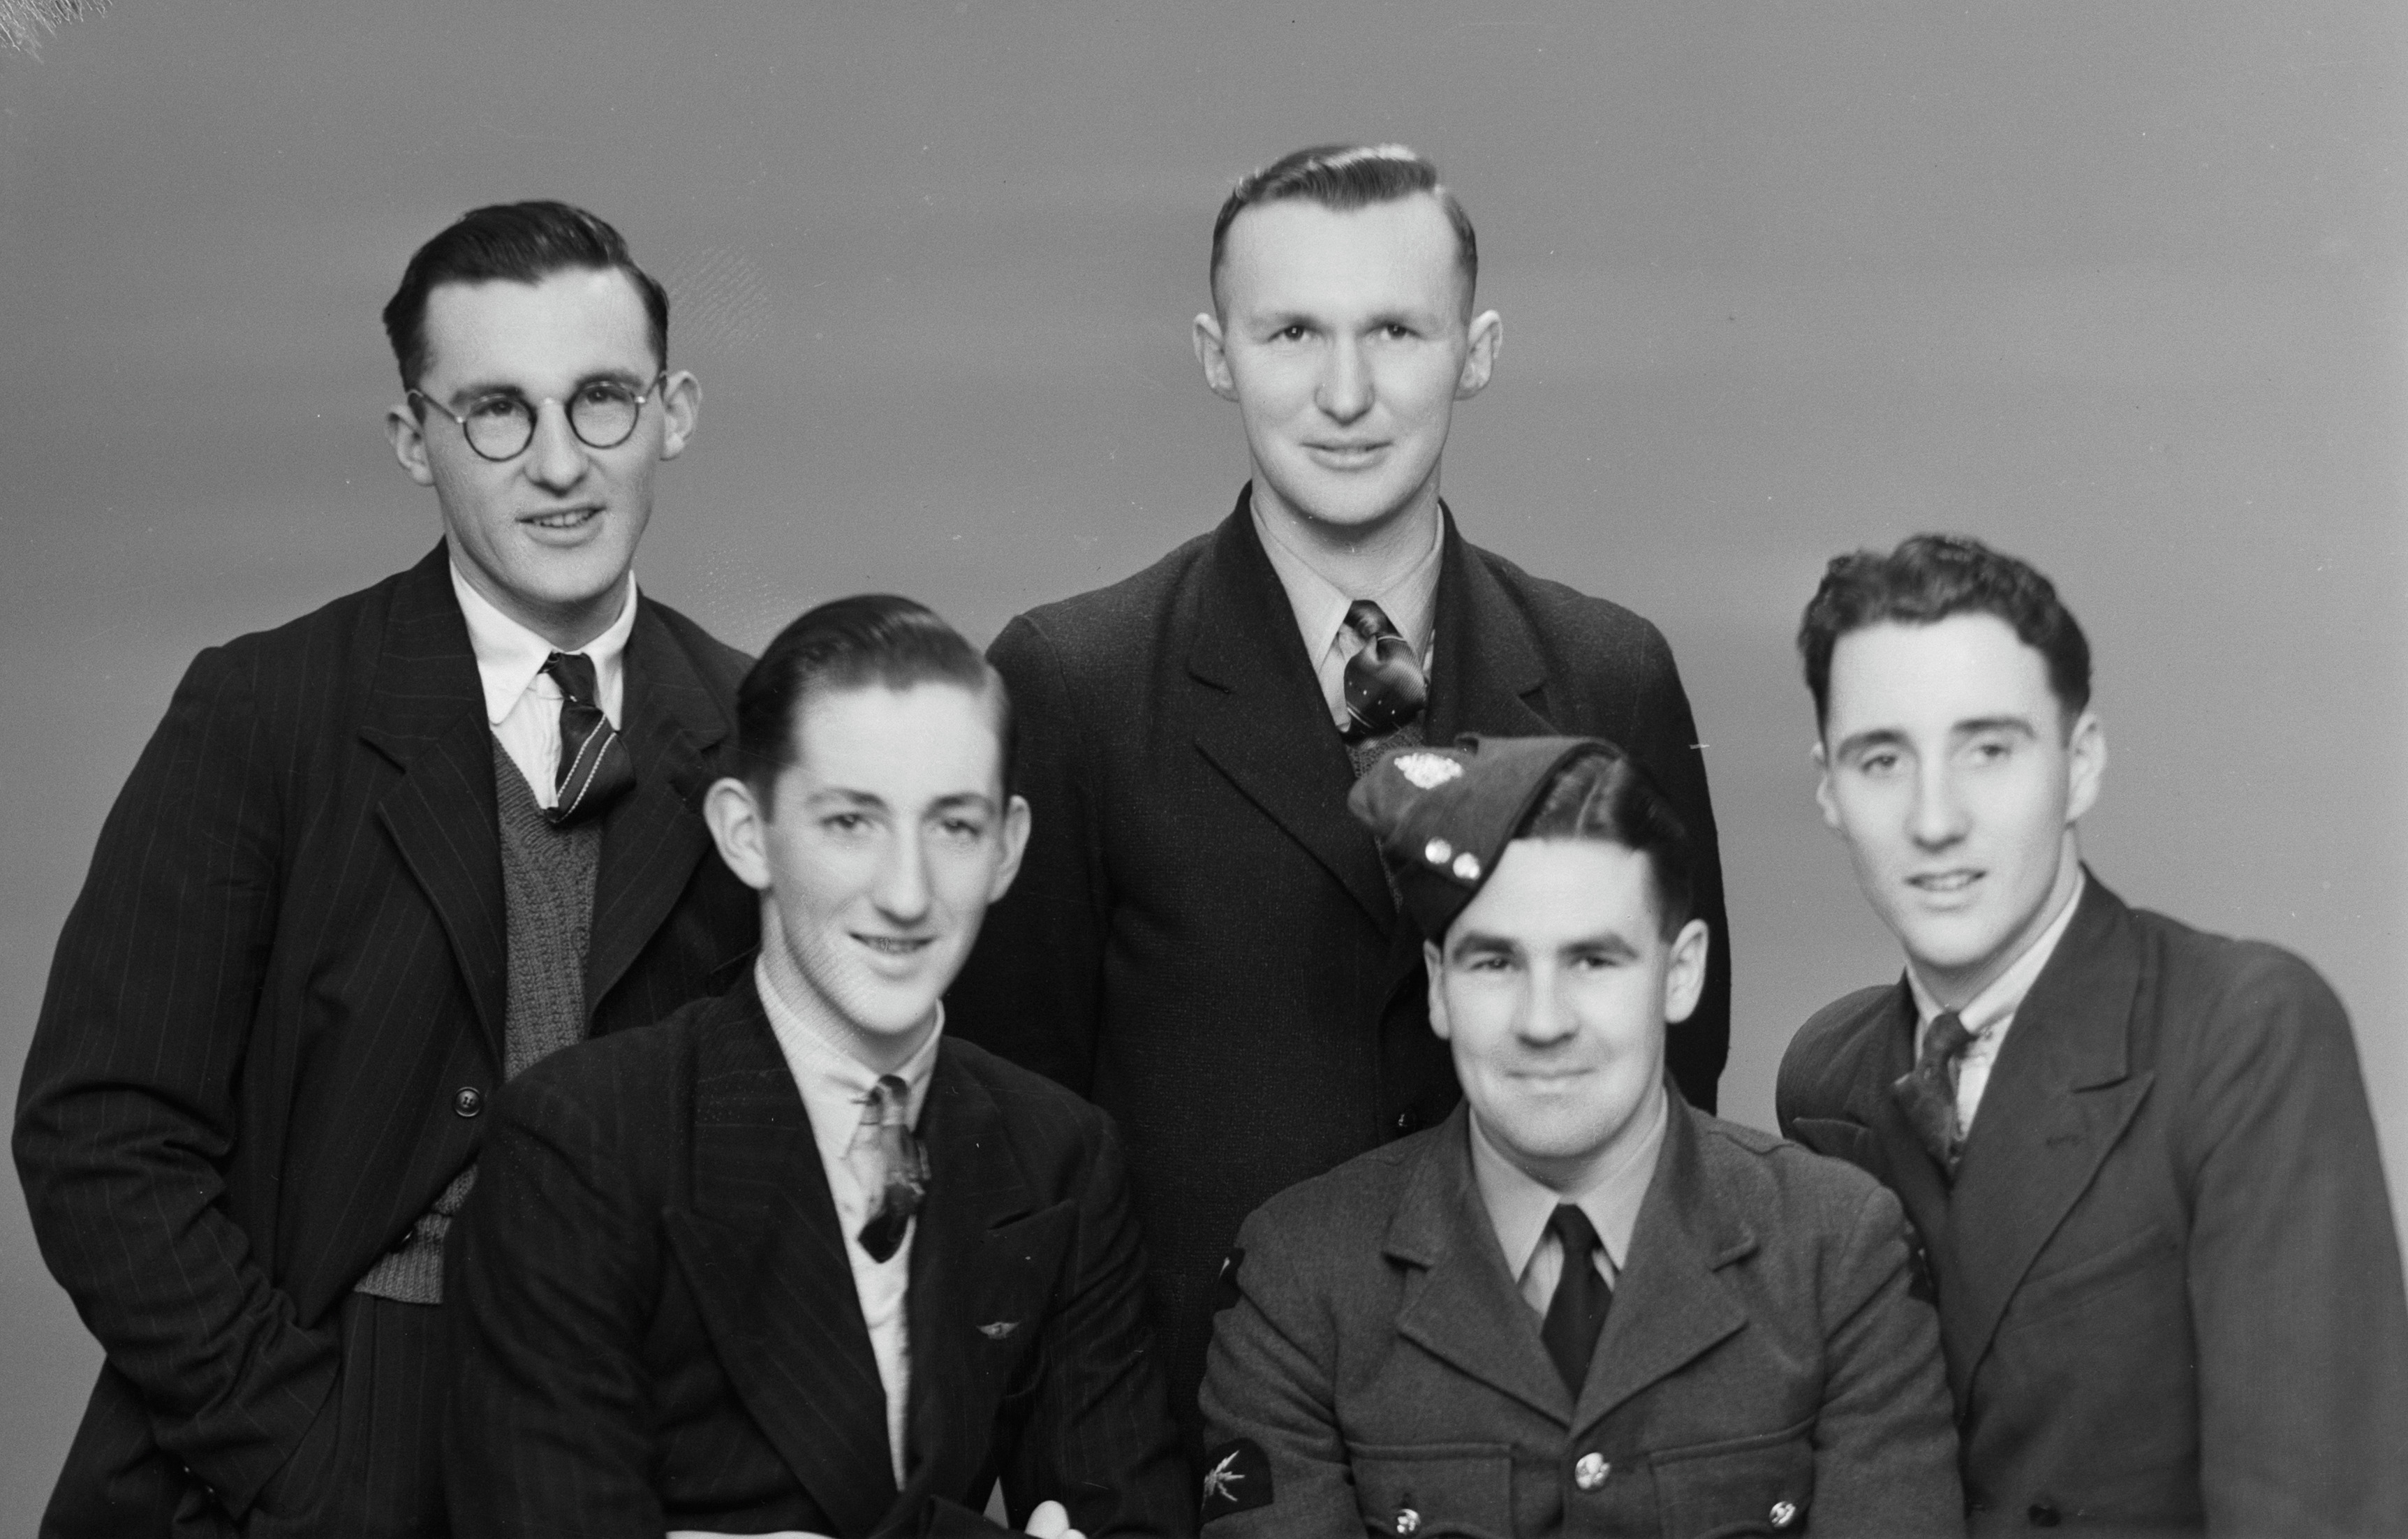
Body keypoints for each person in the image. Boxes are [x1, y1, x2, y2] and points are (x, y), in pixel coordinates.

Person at [947, 143, 1731, 1459]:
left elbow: (1676, 1089)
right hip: (1188, 1452)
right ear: (1213, 351)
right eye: (1293, 330)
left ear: (1475, 350)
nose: (1346, 391)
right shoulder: (1069, 678)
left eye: (1396, 330)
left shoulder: (1609, 671)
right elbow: (1014, 1136)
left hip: (1549, 1450)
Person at [13, 201, 758, 1538]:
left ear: (675, 410)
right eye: (493, 412)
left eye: (600, 400)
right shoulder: (264, 710)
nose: (556, 464)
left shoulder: (757, 741)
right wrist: (308, 1449)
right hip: (306, 1418)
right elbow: (99, 1126)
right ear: (414, 439)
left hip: (628, 1448)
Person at [445, 596, 1191, 1539]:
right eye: (850, 823)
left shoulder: (1060, 1156)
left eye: (953, 826)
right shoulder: (583, 1139)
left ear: (1008, 849)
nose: (908, 891)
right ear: (745, 831)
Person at [1777, 533, 2408, 1536]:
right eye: (1882, 758)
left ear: (2080, 766)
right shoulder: (1829, 1077)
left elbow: (2311, 1508)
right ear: (1826, 788)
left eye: (1988, 749)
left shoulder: (2243, 1032)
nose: (1934, 819)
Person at [1199, 735, 1958, 1537]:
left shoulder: (1836, 1252)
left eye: (1593, 960)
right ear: (1438, 986)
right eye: (1494, 963)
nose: (1543, 1020)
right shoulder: (1300, 1277)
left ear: (1680, 971)